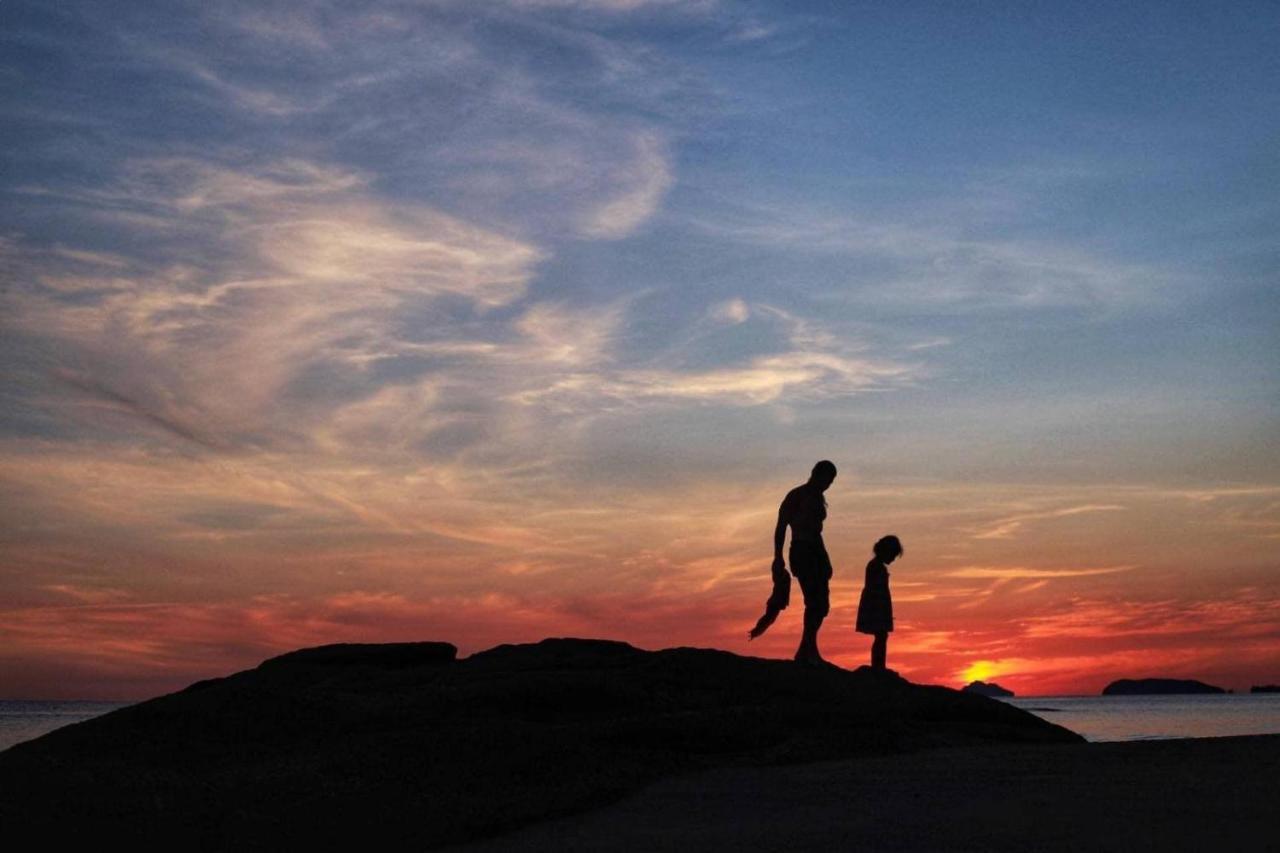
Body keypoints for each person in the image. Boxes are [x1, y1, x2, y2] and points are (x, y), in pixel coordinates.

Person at [755, 460, 837, 664]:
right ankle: (808, 650)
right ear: (816, 474)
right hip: (801, 550)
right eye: (826, 479)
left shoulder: (819, 497)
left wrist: (825, 558)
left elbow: (817, 532)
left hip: (817, 550)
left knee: (822, 605)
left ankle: (807, 647)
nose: (828, 484)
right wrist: (778, 556)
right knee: (813, 601)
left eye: (831, 481)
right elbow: (781, 526)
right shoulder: (797, 495)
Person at [856, 535, 902, 670]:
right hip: (876, 605)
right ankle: (878, 666)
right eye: (892, 555)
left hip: (877, 604)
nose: (893, 559)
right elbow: (876, 588)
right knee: (881, 636)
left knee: (881, 636)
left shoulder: (876, 566)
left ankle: (879, 665)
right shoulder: (876, 567)